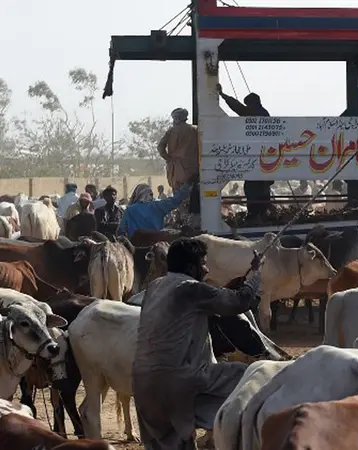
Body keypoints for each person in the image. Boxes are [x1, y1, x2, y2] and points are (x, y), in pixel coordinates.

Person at [132, 238, 262, 450]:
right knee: (252, 377)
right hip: (178, 380)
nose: (207, 268)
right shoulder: (191, 289)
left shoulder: (154, 287)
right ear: (192, 267)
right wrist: (256, 274)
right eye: (203, 262)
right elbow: (240, 302)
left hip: (142, 383)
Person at [217, 84, 272, 224]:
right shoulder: (264, 113)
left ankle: (255, 216)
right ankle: (261, 215)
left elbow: (239, 108)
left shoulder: (257, 114)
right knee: (261, 191)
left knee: (253, 190)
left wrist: (223, 96)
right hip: (264, 162)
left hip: (257, 162)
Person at [118, 178, 195, 238]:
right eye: (151, 194)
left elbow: (121, 230)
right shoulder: (157, 206)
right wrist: (188, 184)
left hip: (135, 246)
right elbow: (175, 200)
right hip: (156, 243)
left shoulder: (129, 209)